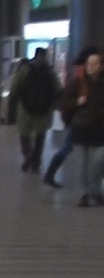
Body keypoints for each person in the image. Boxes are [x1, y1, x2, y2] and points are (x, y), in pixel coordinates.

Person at [43, 46, 99, 188]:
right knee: (70, 148)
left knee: (71, 148)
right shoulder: (81, 77)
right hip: (78, 120)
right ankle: (50, 174)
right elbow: (66, 100)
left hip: (79, 120)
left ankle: (50, 174)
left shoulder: (79, 72)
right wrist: (78, 102)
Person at [59, 52, 104, 207]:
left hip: (100, 129)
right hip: (81, 128)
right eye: (89, 64)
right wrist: (77, 102)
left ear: (101, 66)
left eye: (95, 63)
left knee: (97, 161)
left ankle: (95, 191)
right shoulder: (78, 82)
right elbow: (64, 101)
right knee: (83, 163)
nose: (92, 67)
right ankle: (84, 194)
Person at [11, 47, 61, 174]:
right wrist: (54, 104)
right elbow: (58, 89)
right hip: (44, 110)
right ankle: (36, 163)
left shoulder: (25, 69)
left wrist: (14, 100)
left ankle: (28, 156)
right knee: (40, 137)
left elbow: (15, 87)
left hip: (25, 108)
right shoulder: (50, 70)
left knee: (24, 135)